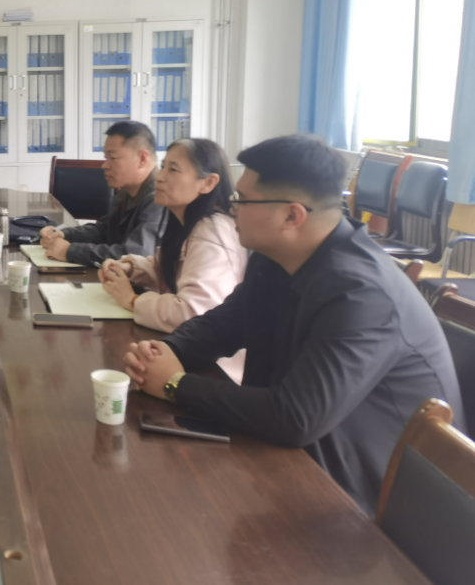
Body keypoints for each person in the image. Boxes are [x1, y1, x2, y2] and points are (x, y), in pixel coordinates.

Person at [123, 134, 465, 515]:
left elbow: (295, 417)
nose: (232, 210)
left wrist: (175, 384)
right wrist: (167, 350)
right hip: (297, 461)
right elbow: (224, 324)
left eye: (242, 200)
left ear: (292, 216)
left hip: (370, 504)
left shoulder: (362, 294)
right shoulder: (276, 257)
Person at [98, 138, 248, 382]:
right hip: (187, 350)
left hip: (213, 370)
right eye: (163, 167)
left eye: (173, 170)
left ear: (208, 182)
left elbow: (194, 311)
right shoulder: (188, 221)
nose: (159, 177)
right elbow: (167, 266)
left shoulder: (212, 231)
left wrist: (132, 300)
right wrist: (128, 268)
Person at [39, 120, 163, 264]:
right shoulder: (127, 192)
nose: (104, 165)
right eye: (106, 158)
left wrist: (70, 251)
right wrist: (64, 234)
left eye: (113, 158)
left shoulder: (160, 198)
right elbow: (105, 230)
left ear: (142, 159)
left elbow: (136, 255)